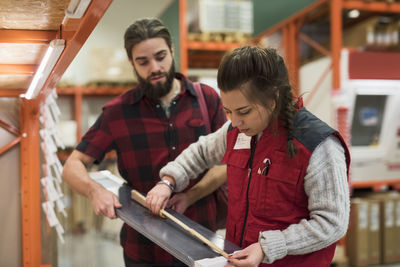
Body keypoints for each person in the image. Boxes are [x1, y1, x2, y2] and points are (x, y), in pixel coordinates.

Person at [146, 46, 351, 267]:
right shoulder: (237, 132)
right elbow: (202, 151)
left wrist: (267, 247)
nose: (234, 122)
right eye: (228, 111)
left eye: (244, 112)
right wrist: (168, 181)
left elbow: (331, 224)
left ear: (273, 98)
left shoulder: (319, 146)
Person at [62, 18, 227, 266]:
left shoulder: (207, 99)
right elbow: (72, 165)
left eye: (161, 56)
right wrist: (95, 191)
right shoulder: (117, 112)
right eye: (143, 61)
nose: (154, 67)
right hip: (143, 248)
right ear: (132, 63)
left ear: (172, 51)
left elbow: (227, 162)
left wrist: (191, 195)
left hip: (201, 239)